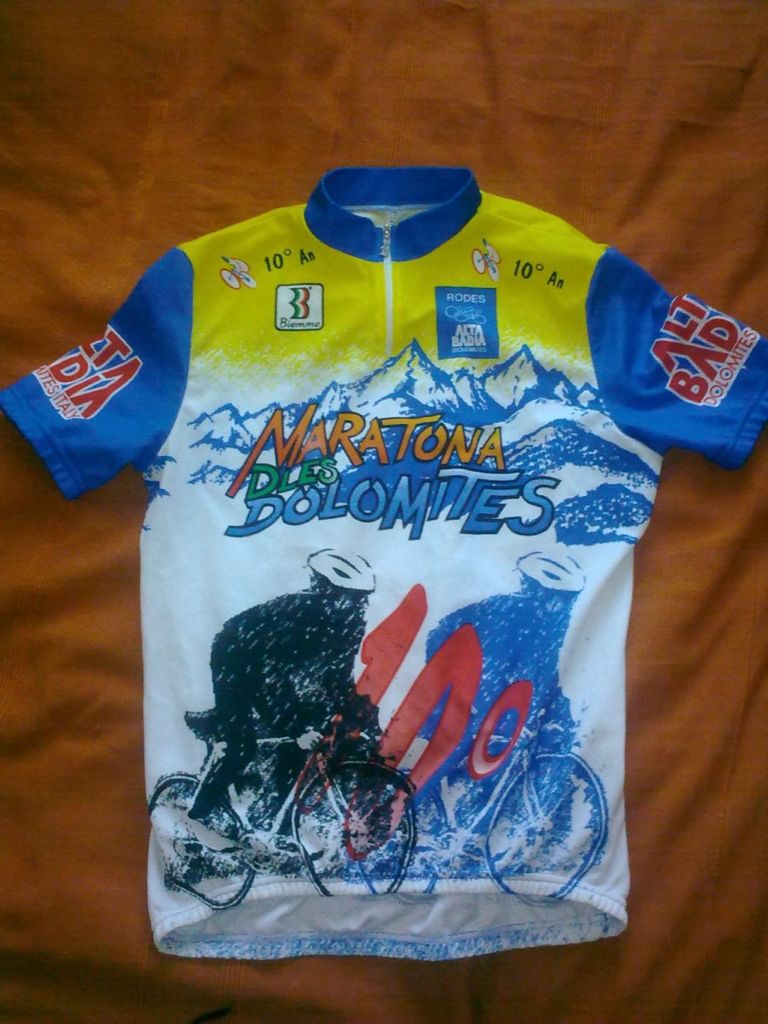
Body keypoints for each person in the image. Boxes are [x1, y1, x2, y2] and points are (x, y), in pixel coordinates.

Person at [186, 549, 380, 832]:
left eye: (360, 599)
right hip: (237, 655)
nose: (355, 606)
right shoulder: (292, 616)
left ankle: (281, 824)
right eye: (347, 597)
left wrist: (365, 721)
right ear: (322, 590)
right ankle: (196, 817)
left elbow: (338, 679)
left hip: (275, 671)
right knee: (242, 746)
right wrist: (296, 728)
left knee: (307, 745)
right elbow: (271, 679)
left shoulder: (352, 622)